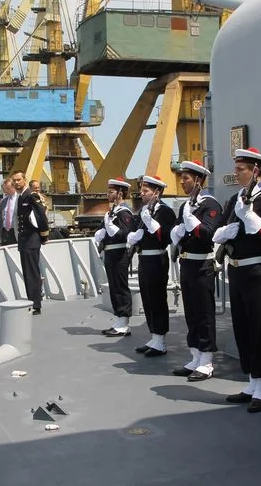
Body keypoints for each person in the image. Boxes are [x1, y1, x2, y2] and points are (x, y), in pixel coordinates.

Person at [212, 148, 261, 412]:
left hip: (256, 270)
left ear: (255, 170)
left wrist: (252, 218)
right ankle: (252, 381)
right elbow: (222, 225)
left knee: (259, 328)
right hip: (236, 270)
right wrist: (224, 232)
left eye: (240, 168)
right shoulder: (235, 199)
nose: (236, 172)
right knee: (242, 327)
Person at [170, 160, 223, 381]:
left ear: (199, 181)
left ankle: (207, 360)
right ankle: (195, 355)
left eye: (187, 178)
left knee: (204, 313)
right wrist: (178, 232)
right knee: (190, 312)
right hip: (187, 264)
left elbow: (209, 234)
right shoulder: (185, 206)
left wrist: (193, 223)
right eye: (182, 178)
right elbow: (178, 230)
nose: (182, 182)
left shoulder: (210, 205)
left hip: (203, 265)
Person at [127, 175, 176, 355]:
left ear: (157, 192)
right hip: (144, 259)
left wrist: (150, 223)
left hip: (156, 259)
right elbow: (136, 231)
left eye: (146, 191)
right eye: (142, 190)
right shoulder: (145, 210)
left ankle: (160, 340)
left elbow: (166, 237)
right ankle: (154, 336)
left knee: (157, 299)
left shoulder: (165, 212)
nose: (142, 194)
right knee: (147, 299)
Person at [93, 178, 135, 337]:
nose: (108, 194)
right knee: (114, 287)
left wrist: (111, 228)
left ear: (120, 193)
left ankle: (124, 323)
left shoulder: (124, 212)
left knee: (120, 287)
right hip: (110, 253)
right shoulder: (112, 211)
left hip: (119, 253)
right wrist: (101, 233)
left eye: (111, 192)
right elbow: (103, 231)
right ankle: (119, 320)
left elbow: (126, 233)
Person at [12, 170, 49, 314]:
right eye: (14, 180)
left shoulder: (31, 195)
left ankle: (36, 305)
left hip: (31, 240)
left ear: (24, 180)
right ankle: (31, 301)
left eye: (18, 180)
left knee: (32, 272)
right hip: (24, 241)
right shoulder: (21, 197)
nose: (16, 183)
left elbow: (41, 215)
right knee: (27, 273)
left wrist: (44, 235)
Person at [0, 179, 17, 246]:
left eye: (8, 189)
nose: (6, 191)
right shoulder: (3, 201)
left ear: (14, 187)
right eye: (5, 189)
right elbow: (0, 218)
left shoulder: (19, 199)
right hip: (5, 232)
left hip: (15, 231)